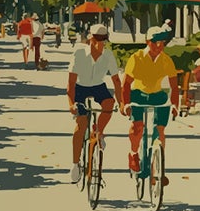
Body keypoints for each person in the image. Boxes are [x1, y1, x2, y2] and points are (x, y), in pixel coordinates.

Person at [122, 23, 182, 187]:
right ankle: (134, 153)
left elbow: (174, 85)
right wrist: (125, 104)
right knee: (138, 127)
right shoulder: (137, 57)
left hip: (157, 96)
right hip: (138, 94)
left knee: (160, 130)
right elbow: (126, 84)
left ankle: (158, 170)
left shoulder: (166, 60)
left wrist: (176, 105)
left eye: (162, 42)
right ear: (147, 41)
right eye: (155, 42)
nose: (159, 46)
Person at [65, 21, 118, 181]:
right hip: (80, 87)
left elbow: (116, 81)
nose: (100, 43)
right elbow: (71, 83)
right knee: (81, 124)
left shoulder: (108, 55)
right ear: (90, 39)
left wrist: (122, 102)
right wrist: (71, 104)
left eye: (103, 40)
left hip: (98, 86)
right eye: (97, 39)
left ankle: (99, 131)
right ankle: (75, 164)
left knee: (110, 103)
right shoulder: (79, 54)